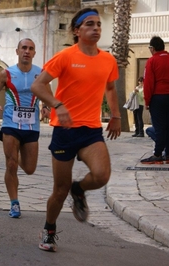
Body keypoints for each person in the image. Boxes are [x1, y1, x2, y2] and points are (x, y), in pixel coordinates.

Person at [30, 8, 121, 252]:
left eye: (99, 24)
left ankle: (79, 189)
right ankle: (49, 229)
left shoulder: (108, 60)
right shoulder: (65, 57)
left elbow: (111, 89)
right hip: (65, 131)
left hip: (90, 130)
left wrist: (115, 115)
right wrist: (56, 105)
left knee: (102, 176)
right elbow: (38, 85)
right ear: (76, 30)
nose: (96, 28)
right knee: (59, 190)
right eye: (89, 24)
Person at [0, 38, 50, 219]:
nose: (27, 51)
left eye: (31, 48)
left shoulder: (41, 74)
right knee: (11, 164)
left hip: (31, 126)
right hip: (11, 123)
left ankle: (16, 159)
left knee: (30, 168)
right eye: (24, 48)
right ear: (17, 51)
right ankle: (14, 202)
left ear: (34, 53)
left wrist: (46, 107)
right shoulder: (7, 74)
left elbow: (49, 96)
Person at [141, 36, 169, 164]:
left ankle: (158, 154)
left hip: (158, 97)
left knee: (159, 127)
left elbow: (148, 83)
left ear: (152, 48)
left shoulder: (152, 61)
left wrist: (147, 101)